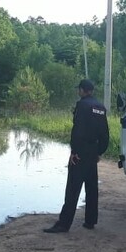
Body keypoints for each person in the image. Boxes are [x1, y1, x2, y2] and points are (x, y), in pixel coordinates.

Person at [44, 79, 110, 233]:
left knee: (73, 189)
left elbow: (78, 131)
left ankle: (63, 224)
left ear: (82, 90)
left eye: (79, 90)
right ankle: (90, 221)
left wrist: (74, 152)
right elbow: (105, 134)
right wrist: (99, 152)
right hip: (93, 151)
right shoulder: (100, 107)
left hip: (80, 152)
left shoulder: (82, 105)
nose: (78, 92)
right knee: (92, 188)